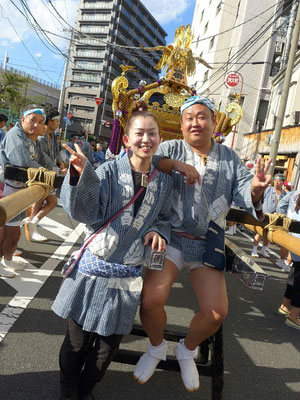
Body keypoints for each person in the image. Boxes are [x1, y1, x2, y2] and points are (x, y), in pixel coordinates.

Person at [133, 95, 272, 392]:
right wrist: (176, 165)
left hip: (207, 241)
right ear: (182, 125)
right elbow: (151, 161)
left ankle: (186, 349)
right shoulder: (171, 147)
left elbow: (245, 191)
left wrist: (256, 190)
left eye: (202, 116)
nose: (195, 122)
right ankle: (156, 347)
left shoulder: (230, 157)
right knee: (150, 301)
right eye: (189, 118)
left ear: (213, 122)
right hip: (171, 236)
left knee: (216, 313)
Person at [52, 101, 173, 400]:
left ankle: (86, 389)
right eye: (140, 133)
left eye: (152, 134)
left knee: (107, 349)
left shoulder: (165, 182)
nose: (146, 139)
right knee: (77, 342)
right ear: (127, 139)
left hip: (127, 274)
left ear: (159, 139)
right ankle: (69, 391)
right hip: (94, 269)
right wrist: (80, 175)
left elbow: (164, 217)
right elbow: (86, 212)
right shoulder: (105, 172)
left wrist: (158, 230)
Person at [0, 105, 49, 277]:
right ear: (22, 120)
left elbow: (44, 160)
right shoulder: (15, 135)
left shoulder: (33, 139)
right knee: (7, 231)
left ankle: (7, 259)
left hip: (20, 191)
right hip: (7, 191)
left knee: (12, 231)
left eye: (40, 122)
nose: (36, 125)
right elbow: (22, 161)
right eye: (32, 120)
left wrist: (57, 170)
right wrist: (48, 172)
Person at [24, 109, 65, 242]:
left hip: (50, 173)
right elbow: (41, 158)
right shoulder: (40, 137)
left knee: (51, 202)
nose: (58, 124)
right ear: (50, 121)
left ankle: (32, 223)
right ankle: (31, 225)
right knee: (41, 201)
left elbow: (57, 151)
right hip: (42, 173)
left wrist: (60, 161)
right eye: (56, 121)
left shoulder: (52, 135)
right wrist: (56, 170)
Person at [276, 191, 300, 330]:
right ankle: (293, 316)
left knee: (295, 273)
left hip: (292, 238)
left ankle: (285, 306)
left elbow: (280, 206)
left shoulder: (294, 193)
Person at [251, 173, 287, 261]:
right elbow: (260, 198)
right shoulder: (268, 189)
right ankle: (254, 250)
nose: (276, 183)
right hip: (265, 214)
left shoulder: (284, 194)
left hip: (275, 216)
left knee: (268, 234)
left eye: (279, 181)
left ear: (283, 183)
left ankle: (263, 249)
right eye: (275, 181)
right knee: (259, 232)